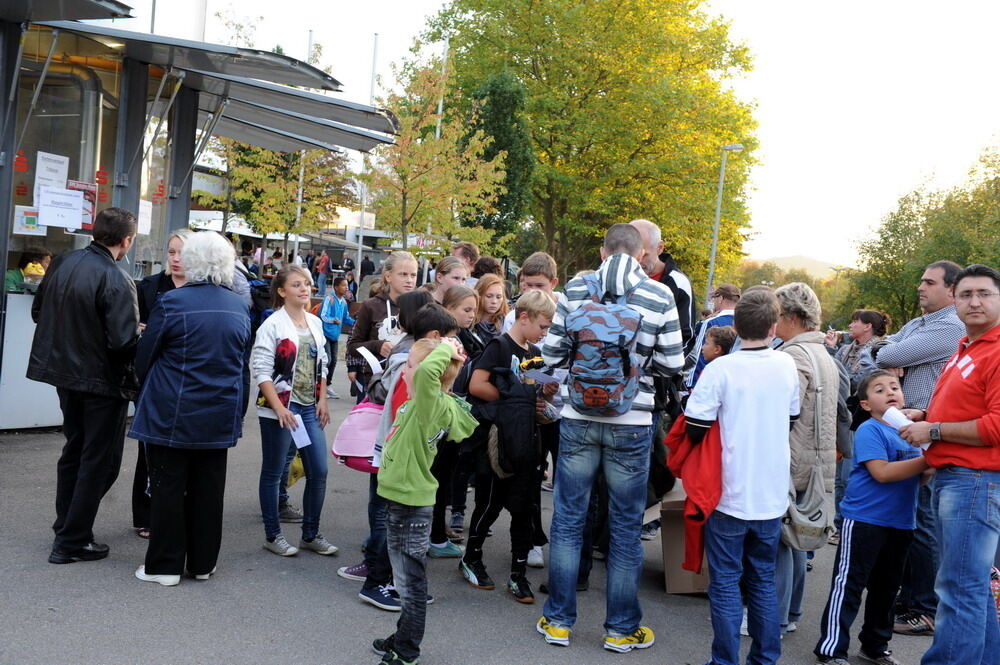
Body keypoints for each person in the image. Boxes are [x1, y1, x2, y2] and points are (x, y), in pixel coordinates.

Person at [537, 223, 684, 652]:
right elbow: (673, 362)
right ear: (641, 255)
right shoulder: (659, 295)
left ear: (603, 253)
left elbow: (551, 356)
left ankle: (559, 622)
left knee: (567, 520)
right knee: (623, 527)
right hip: (632, 424)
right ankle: (620, 629)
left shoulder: (577, 290)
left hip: (578, 417)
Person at [684, 288, 801, 665]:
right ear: (773, 326)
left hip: (729, 493)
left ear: (735, 326)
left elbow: (694, 426)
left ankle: (724, 661)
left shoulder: (722, 369)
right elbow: (791, 418)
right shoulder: (785, 366)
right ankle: (765, 659)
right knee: (762, 581)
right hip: (770, 494)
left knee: (725, 584)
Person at [128, 232, 252, 586]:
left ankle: (164, 566)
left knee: (168, 487)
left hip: (173, 411)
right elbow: (240, 362)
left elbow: (145, 357)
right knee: (208, 491)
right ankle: (202, 562)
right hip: (219, 411)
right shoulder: (239, 306)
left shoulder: (173, 302)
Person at [898, 263, 1000, 665]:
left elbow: (996, 425)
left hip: (974, 481)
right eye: (966, 294)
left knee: (959, 589)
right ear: (954, 300)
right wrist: (927, 415)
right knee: (971, 587)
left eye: (984, 294)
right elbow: (968, 409)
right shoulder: (967, 346)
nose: (974, 301)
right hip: (958, 479)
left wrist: (934, 431)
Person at [28, 207, 140, 564]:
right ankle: (71, 539)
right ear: (126, 240)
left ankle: (67, 528)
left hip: (64, 374)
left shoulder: (62, 263)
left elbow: (38, 312)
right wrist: (140, 332)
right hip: (100, 381)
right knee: (99, 460)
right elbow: (122, 342)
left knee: (76, 450)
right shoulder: (116, 277)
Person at [371, 337, 477, 665]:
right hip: (404, 502)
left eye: (411, 366)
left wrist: (445, 347)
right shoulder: (423, 405)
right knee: (407, 580)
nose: (405, 371)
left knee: (410, 584)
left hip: (410, 507)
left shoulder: (429, 405)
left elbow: (430, 372)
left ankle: (406, 650)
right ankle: (402, 636)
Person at [873, 260, 964, 637]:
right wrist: (892, 349)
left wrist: (894, 352)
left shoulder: (952, 325)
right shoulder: (922, 323)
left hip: (930, 432)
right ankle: (912, 596)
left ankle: (924, 607)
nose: (920, 287)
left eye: (929, 282)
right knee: (913, 518)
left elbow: (887, 356)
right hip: (911, 426)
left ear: (950, 290)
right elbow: (878, 352)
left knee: (923, 523)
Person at [814, 370, 928, 664]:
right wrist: (928, 460)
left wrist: (931, 464)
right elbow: (883, 472)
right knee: (849, 584)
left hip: (901, 522)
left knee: (887, 588)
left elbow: (921, 478)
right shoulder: (870, 429)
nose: (890, 392)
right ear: (865, 404)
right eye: (879, 390)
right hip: (865, 520)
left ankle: (875, 646)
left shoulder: (909, 432)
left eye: (894, 387)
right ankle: (831, 649)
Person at [459, 290, 557, 602]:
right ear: (524, 316)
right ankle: (471, 557)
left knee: (525, 505)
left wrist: (547, 392)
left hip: (528, 440)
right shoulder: (499, 346)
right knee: (490, 503)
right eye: (543, 325)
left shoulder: (535, 352)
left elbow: (539, 395)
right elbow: (477, 385)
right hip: (497, 440)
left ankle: (518, 575)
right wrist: (516, 399)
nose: (546, 332)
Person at [252, 265, 336, 557]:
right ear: (281, 291)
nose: (304, 289)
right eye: (297, 285)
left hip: (308, 408)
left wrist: (322, 399)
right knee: (274, 472)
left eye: (307, 284)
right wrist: (279, 409)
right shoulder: (272, 324)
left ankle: (310, 534)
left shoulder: (314, 323)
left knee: (319, 471)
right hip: (279, 411)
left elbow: (322, 364)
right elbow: (260, 371)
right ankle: (273, 535)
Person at [774, 282, 839, 635]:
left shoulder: (795, 356)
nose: (774, 322)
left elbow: (787, 410)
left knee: (780, 540)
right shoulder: (822, 355)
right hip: (816, 460)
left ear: (794, 317)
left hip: (794, 458)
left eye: (779, 315)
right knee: (798, 537)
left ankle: (775, 616)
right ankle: (792, 612)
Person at [132, 229, 193, 540]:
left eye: (182, 252)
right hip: (153, 378)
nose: (176, 258)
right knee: (150, 449)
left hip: (189, 382)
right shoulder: (151, 286)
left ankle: (177, 511)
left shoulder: (202, 288)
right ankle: (145, 515)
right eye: (171, 251)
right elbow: (134, 328)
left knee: (183, 452)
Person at [427, 285, 480, 559]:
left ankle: (437, 532)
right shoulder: (443, 343)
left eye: (473, 310)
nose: (471, 315)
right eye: (466, 310)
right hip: (441, 419)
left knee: (445, 480)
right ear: (448, 310)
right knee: (436, 479)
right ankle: (433, 537)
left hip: (456, 416)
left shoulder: (468, 338)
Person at [347, 252, 418, 400]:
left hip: (411, 382)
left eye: (413, 275)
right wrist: (377, 345)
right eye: (403, 274)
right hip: (376, 383)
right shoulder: (371, 305)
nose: (409, 280)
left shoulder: (421, 306)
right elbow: (353, 346)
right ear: (388, 276)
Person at [629, 218, 698, 349]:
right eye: (632, 255)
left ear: (660, 247)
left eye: (644, 255)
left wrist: (662, 367)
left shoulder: (678, 283)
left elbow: (686, 337)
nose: (637, 261)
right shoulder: (618, 277)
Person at [686, 284, 741, 388]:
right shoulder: (745, 322)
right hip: (731, 384)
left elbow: (698, 357)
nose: (713, 301)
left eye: (714, 298)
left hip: (707, 382)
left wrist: (690, 386)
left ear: (721, 298)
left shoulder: (711, 322)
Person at [501, 252, 561, 334]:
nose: (533, 291)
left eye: (539, 286)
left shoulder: (566, 312)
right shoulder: (513, 318)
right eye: (529, 285)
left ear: (553, 283)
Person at [319, 276, 355, 399]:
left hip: (335, 336)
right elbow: (322, 316)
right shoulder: (329, 299)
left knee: (333, 361)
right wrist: (332, 320)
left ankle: (327, 385)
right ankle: (320, 386)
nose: (346, 288)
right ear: (336, 287)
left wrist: (356, 323)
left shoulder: (344, 302)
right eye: (344, 285)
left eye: (347, 286)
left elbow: (346, 318)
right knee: (327, 360)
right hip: (325, 334)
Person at [474, 273, 509, 339]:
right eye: (489, 296)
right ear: (479, 295)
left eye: (498, 297)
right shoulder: (469, 321)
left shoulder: (507, 323)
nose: (494, 301)